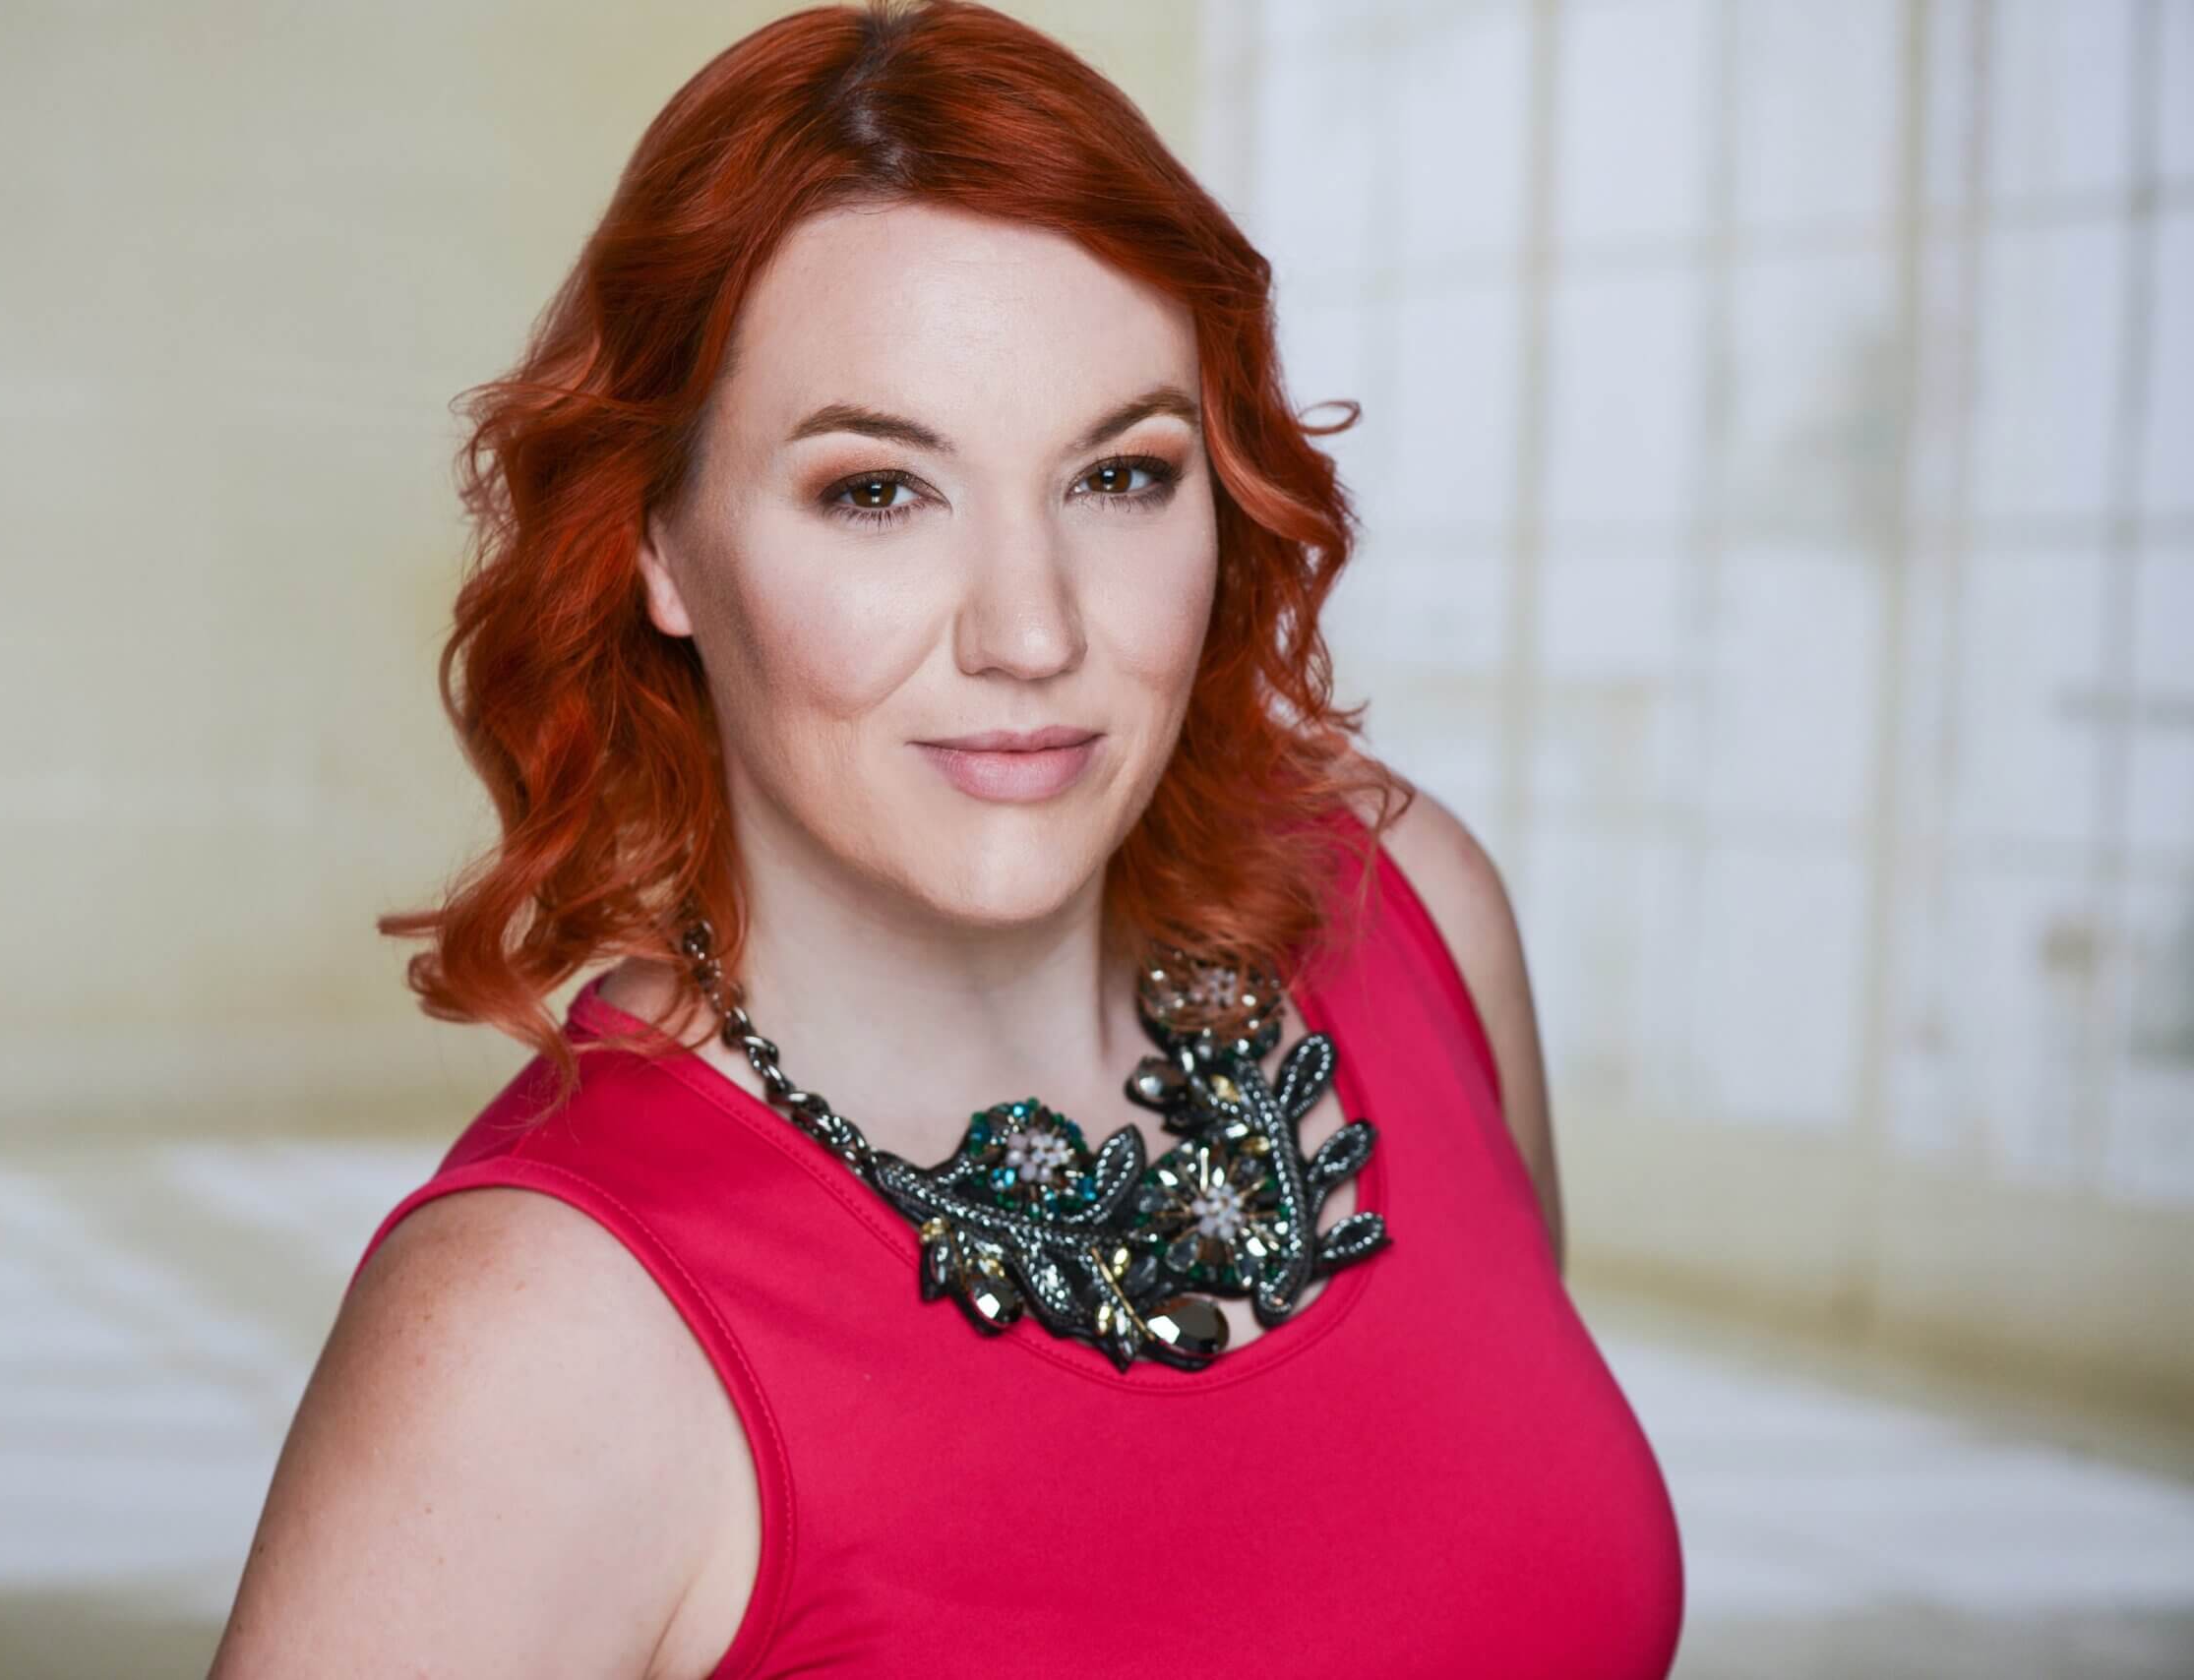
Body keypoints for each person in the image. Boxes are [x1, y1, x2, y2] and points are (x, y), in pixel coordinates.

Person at [210, 3, 1683, 1675]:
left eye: (1120, 476)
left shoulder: (1411, 908)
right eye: (876, 491)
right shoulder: (532, 1331)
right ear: (658, 546)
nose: (1030, 632)